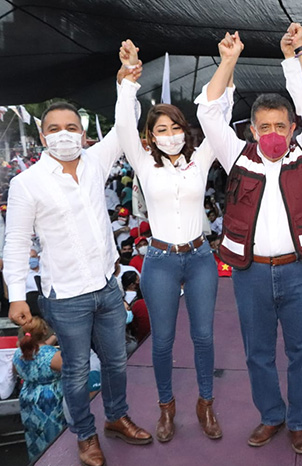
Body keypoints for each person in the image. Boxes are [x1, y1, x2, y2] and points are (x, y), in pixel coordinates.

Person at [196, 24, 302, 454]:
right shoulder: (236, 156)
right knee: (257, 353)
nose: (273, 133)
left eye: (280, 126)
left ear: (293, 128)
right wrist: (228, 61)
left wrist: (296, 54)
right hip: (250, 272)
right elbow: (208, 112)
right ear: (252, 130)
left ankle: (300, 422)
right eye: (264, 126)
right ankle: (272, 415)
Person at [4, 96, 152, 466]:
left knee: (117, 361)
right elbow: (17, 241)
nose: (63, 135)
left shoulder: (96, 161)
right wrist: (17, 295)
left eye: (71, 128)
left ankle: (116, 417)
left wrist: (127, 83)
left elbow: (125, 122)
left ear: (83, 134)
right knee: (76, 370)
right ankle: (86, 436)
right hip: (65, 295)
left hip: (106, 286)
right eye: (54, 129)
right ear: (43, 136)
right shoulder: (27, 183)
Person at [116, 39, 230, 443]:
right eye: (161, 130)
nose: (169, 135)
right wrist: (128, 79)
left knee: (203, 336)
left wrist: (228, 63)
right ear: (150, 136)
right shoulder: (144, 164)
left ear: (185, 131)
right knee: (162, 340)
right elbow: (123, 125)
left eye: (175, 127)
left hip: (199, 258)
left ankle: (206, 403)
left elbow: (218, 113)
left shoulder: (200, 161)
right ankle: (166, 407)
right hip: (160, 260)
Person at [12, 317, 65, 460]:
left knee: (34, 437)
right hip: (50, 400)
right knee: (54, 437)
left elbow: (16, 370)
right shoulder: (54, 355)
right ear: (45, 331)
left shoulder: (18, 353)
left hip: (27, 397)